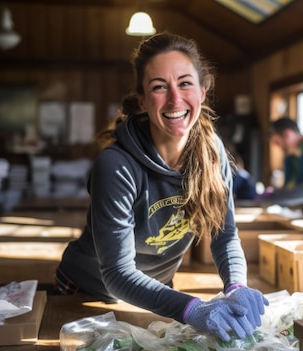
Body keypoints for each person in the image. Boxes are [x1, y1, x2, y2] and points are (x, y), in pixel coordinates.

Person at [54, 32, 268, 342]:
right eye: (159, 87)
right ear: (141, 100)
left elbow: (225, 234)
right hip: (88, 290)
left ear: (203, 90)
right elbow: (117, 273)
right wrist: (193, 309)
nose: (175, 99)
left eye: (185, 83)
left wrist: (236, 285)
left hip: (155, 293)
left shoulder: (213, 152)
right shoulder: (116, 166)